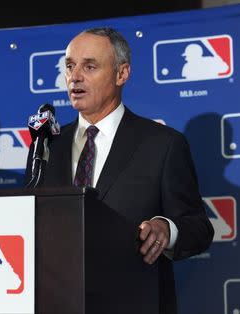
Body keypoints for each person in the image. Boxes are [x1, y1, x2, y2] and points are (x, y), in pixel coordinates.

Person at [25, 27, 214, 314]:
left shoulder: (163, 144)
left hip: (135, 301)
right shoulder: (46, 146)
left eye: (90, 66)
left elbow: (199, 227)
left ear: (121, 74)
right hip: (57, 302)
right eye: (70, 66)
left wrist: (166, 229)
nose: (74, 77)